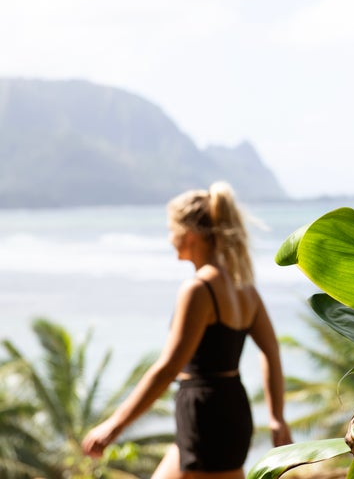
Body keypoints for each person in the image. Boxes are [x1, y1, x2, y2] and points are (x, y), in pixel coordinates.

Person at [82, 181, 292, 478]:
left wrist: (113, 425)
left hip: (206, 416)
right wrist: (276, 417)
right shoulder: (245, 288)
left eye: (172, 230)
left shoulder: (198, 289)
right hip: (228, 407)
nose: (170, 239)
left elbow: (168, 367)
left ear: (190, 234)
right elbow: (271, 351)